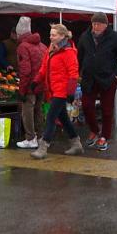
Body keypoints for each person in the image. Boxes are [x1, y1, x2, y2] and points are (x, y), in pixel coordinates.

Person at [76, 12, 117, 151]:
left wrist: (116, 74)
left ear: (106, 25)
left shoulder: (115, 37)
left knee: (106, 110)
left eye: (98, 24)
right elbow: (79, 56)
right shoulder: (85, 36)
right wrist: (79, 72)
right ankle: (94, 130)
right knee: (86, 106)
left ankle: (104, 136)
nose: (95, 26)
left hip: (107, 78)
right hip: (89, 78)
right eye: (93, 23)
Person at [30, 24, 82, 159]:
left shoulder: (69, 52)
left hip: (61, 91)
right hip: (52, 90)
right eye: (50, 34)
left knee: (51, 118)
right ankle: (76, 144)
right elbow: (44, 68)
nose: (50, 37)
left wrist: (70, 91)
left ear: (62, 36)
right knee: (63, 118)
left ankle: (43, 147)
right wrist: (35, 81)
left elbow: (73, 73)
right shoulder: (51, 49)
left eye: (53, 35)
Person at [14, 17, 47, 150]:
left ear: (18, 34)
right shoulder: (42, 46)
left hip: (30, 85)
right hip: (41, 84)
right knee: (38, 110)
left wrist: (22, 90)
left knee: (27, 111)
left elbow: (25, 71)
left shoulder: (22, 47)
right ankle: (40, 137)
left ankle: (30, 138)